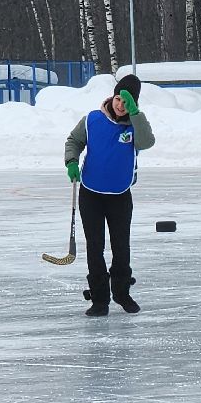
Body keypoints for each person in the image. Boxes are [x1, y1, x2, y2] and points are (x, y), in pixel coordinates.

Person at [63, 73, 155, 316]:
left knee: (121, 247)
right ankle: (100, 299)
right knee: (95, 247)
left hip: (120, 195)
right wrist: (72, 161)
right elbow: (73, 141)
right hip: (91, 194)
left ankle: (122, 293)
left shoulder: (136, 126)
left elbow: (147, 142)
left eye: (127, 102)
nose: (120, 105)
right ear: (112, 97)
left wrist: (135, 114)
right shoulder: (92, 119)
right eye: (118, 99)